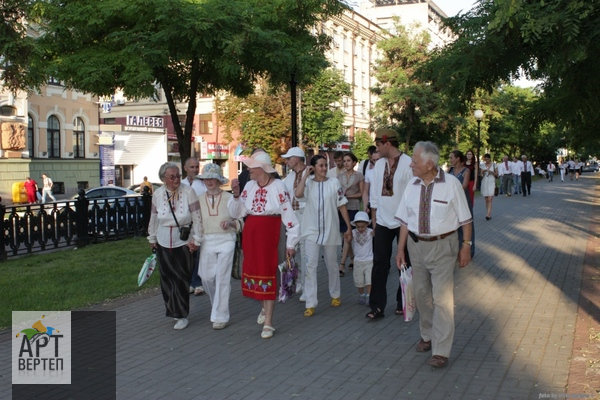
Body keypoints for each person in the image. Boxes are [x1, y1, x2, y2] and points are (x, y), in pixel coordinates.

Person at [395, 141, 473, 368]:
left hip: (443, 248)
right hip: (416, 247)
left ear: (430, 164)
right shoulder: (411, 185)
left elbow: (466, 219)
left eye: (415, 161)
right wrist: (400, 249)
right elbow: (404, 220)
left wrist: (465, 245)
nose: (411, 164)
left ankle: (441, 349)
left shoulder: (451, 185)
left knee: (442, 298)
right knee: (421, 295)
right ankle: (427, 334)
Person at [228, 151, 299, 339]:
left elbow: (289, 217)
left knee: (268, 274)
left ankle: (269, 322)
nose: (248, 170)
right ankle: (263, 308)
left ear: (262, 169)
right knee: (252, 272)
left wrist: (291, 243)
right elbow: (238, 213)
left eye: (251, 167)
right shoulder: (249, 186)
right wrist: (236, 195)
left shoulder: (278, 186)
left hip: (270, 234)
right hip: (251, 234)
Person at [295, 154, 352, 317]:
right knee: (311, 265)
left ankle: (335, 294)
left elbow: (342, 206)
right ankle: (310, 303)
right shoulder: (308, 184)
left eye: (325, 165)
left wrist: (348, 227)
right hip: (311, 230)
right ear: (313, 167)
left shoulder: (334, 183)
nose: (324, 168)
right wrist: (305, 174)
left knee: (332, 264)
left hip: (330, 229)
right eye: (320, 165)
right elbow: (298, 194)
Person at [147, 162, 203, 330]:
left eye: (178, 175)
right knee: (166, 278)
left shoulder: (188, 192)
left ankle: (181, 314)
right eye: (173, 176)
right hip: (164, 239)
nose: (177, 179)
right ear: (164, 179)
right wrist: (152, 237)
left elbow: (197, 217)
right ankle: (172, 310)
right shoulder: (157, 194)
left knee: (180, 278)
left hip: (183, 241)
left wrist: (197, 239)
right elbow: (154, 217)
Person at [366, 128, 413, 320]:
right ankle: (377, 306)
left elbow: (411, 196)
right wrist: (375, 221)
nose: (376, 150)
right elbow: (375, 194)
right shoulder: (378, 166)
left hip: (404, 222)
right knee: (379, 263)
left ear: (387, 144)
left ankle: (403, 302)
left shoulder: (409, 164)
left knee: (405, 263)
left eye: (378, 145)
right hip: (383, 222)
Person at [197, 163, 242, 330]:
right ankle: (218, 303)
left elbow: (240, 219)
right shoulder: (199, 199)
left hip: (226, 240)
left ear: (219, 180)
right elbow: (195, 221)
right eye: (207, 179)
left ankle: (220, 316)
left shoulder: (230, 199)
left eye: (213, 178)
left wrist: (231, 223)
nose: (210, 182)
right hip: (207, 239)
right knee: (206, 276)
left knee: (223, 278)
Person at [282, 146, 309, 300]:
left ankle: (306, 288)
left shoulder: (309, 174)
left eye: (289, 158)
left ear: (296, 159)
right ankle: (298, 280)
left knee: (305, 253)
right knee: (293, 251)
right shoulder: (290, 177)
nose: (287, 161)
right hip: (293, 217)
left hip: (306, 216)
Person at [181, 157, 207, 296]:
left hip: (199, 222)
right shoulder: (181, 184)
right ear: (185, 168)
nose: (195, 169)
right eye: (192, 167)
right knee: (187, 254)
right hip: (185, 224)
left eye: (197, 167)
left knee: (198, 253)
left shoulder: (202, 184)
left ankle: (197, 282)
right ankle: (188, 281)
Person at [337, 152, 364, 277]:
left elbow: (361, 194)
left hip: (353, 207)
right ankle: (352, 259)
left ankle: (341, 265)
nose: (346, 163)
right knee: (345, 235)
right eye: (344, 160)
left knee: (348, 235)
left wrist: (349, 196)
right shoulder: (339, 176)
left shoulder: (359, 176)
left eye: (348, 160)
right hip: (342, 208)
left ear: (354, 163)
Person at [448, 150, 474, 258]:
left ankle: (469, 250)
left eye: (451, 157)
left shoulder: (466, 171)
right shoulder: (450, 170)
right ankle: (456, 250)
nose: (450, 160)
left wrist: (452, 189)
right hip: (452, 201)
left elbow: (464, 186)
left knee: (466, 224)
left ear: (458, 158)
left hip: (463, 200)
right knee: (454, 225)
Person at [349, 211, 373, 306]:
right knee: (359, 281)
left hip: (369, 260)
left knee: (369, 280)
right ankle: (362, 294)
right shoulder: (353, 233)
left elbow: (376, 232)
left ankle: (369, 296)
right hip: (358, 261)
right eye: (358, 227)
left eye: (363, 227)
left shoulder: (370, 232)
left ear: (367, 224)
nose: (360, 229)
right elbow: (348, 240)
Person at [360, 146, 380, 217]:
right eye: (374, 160)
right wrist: (365, 205)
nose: (376, 162)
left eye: (378, 159)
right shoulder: (369, 173)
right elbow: (365, 191)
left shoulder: (388, 172)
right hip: (373, 206)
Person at [479, 154, 497, 220]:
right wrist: (482, 172)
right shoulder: (482, 165)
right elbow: (481, 175)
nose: (486, 160)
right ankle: (488, 212)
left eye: (487, 159)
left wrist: (491, 172)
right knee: (486, 200)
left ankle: (488, 214)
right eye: (485, 159)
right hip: (485, 183)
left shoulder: (494, 165)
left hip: (491, 183)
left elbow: (497, 174)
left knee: (490, 199)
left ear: (490, 159)